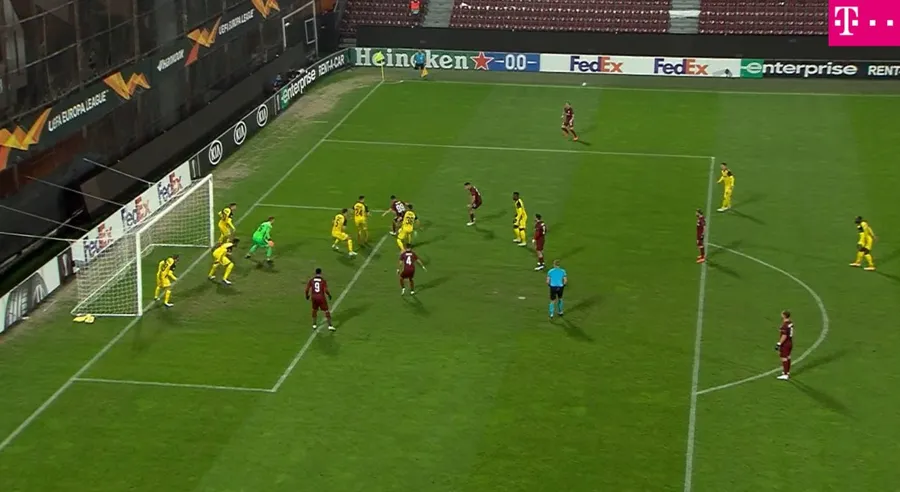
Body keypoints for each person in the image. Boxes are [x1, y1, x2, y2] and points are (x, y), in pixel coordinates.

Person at [775, 310, 794, 380]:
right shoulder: (790, 323)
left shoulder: (784, 325)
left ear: (784, 315)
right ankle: (787, 372)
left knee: (784, 358)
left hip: (785, 343)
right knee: (788, 357)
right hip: (790, 342)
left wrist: (779, 343)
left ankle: (785, 375)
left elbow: (784, 335)